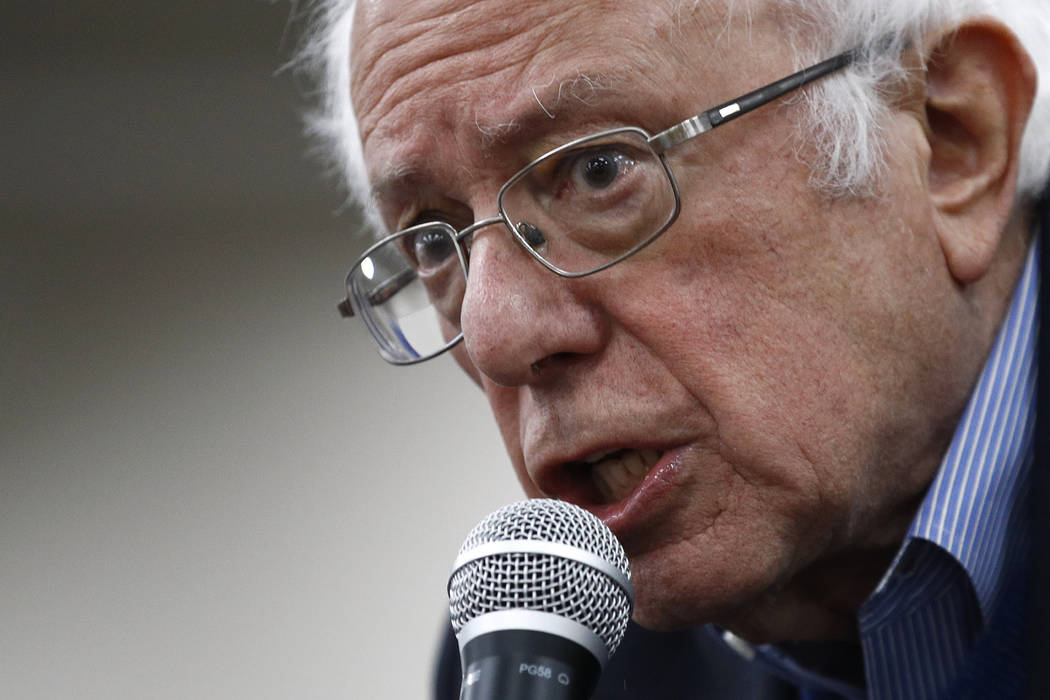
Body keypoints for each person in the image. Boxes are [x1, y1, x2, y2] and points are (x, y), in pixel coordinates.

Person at [303, 0, 1049, 696]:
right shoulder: (551, 652)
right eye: (434, 241)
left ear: (954, 137)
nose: (497, 336)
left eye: (599, 170)